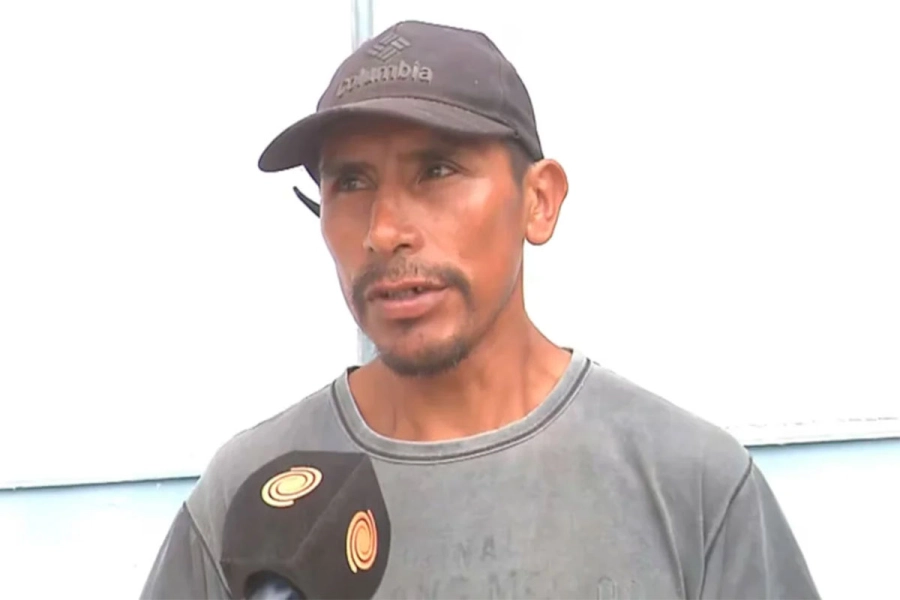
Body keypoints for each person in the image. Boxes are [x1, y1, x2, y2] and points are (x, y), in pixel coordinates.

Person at [140, 19, 820, 600]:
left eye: (436, 171)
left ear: (539, 201)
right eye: (350, 181)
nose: (383, 230)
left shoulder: (691, 487)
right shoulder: (250, 498)